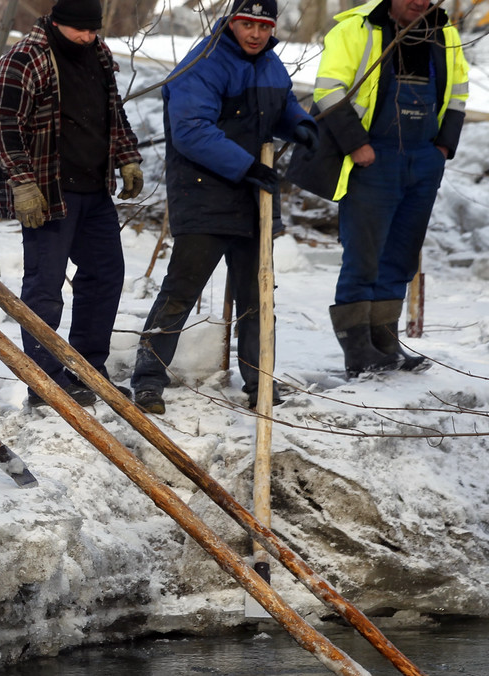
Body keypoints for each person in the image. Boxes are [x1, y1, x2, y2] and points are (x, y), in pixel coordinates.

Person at [129, 0, 316, 413]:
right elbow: (191, 131)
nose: (255, 33)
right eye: (247, 24)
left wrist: (300, 124)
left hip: (254, 195)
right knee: (182, 290)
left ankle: (259, 383)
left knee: (258, 294)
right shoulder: (205, 62)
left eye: (263, 26)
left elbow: (281, 106)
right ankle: (148, 380)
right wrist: (246, 166)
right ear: (231, 22)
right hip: (204, 193)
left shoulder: (271, 65)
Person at [288, 0, 468, 378]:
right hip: (373, 156)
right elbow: (329, 90)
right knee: (364, 255)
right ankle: (358, 351)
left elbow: (458, 93)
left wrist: (443, 147)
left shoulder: (445, 32)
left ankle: (385, 341)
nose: (420, 2)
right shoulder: (356, 28)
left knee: (401, 256)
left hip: (423, 159)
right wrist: (357, 143)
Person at [0, 0, 143, 408]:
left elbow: (114, 114)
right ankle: (45, 381)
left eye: (94, 30)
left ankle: (88, 369)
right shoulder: (24, 59)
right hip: (48, 191)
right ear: (56, 23)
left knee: (106, 275)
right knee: (45, 285)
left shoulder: (99, 55)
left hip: (94, 188)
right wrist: (22, 184)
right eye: (80, 30)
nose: (88, 37)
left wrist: (127, 157)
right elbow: (3, 128)